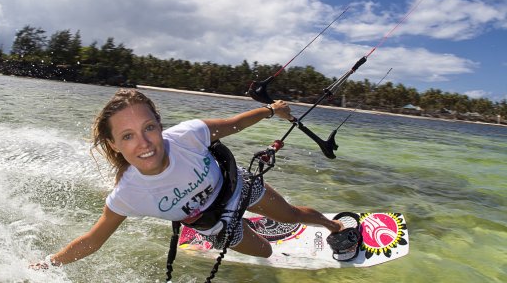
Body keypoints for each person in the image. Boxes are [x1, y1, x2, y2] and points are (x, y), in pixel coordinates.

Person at [32, 88, 343, 269]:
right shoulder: (128, 195)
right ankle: (247, 226)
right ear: (114, 145)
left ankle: (334, 226)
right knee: (266, 252)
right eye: (128, 136)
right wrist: (49, 264)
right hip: (214, 224)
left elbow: (234, 124)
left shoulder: (188, 136)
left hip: (238, 188)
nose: (144, 143)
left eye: (149, 128)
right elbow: (92, 241)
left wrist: (271, 111)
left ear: (159, 124)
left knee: (291, 215)